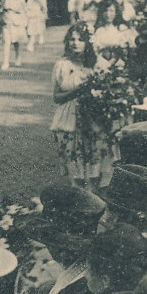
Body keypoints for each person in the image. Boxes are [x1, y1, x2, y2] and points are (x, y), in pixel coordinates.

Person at [51, 23, 118, 190]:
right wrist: (77, 91)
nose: (75, 43)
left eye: (80, 39)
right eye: (72, 39)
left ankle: (94, 195)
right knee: (73, 160)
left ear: (88, 42)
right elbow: (57, 97)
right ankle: (77, 193)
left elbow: (110, 91)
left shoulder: (99, 64)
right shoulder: (62, 65)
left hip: (93, 115)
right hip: (69, 116)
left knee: (94, 157)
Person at [1, 0, 29, 69]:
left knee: (16, 42)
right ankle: (6, 62)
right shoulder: (6, 0)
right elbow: (4, 12)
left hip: (17, 22)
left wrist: (24, 23)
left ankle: (18, 59)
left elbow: (24, 11)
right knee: (7, 42)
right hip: (8, 22)